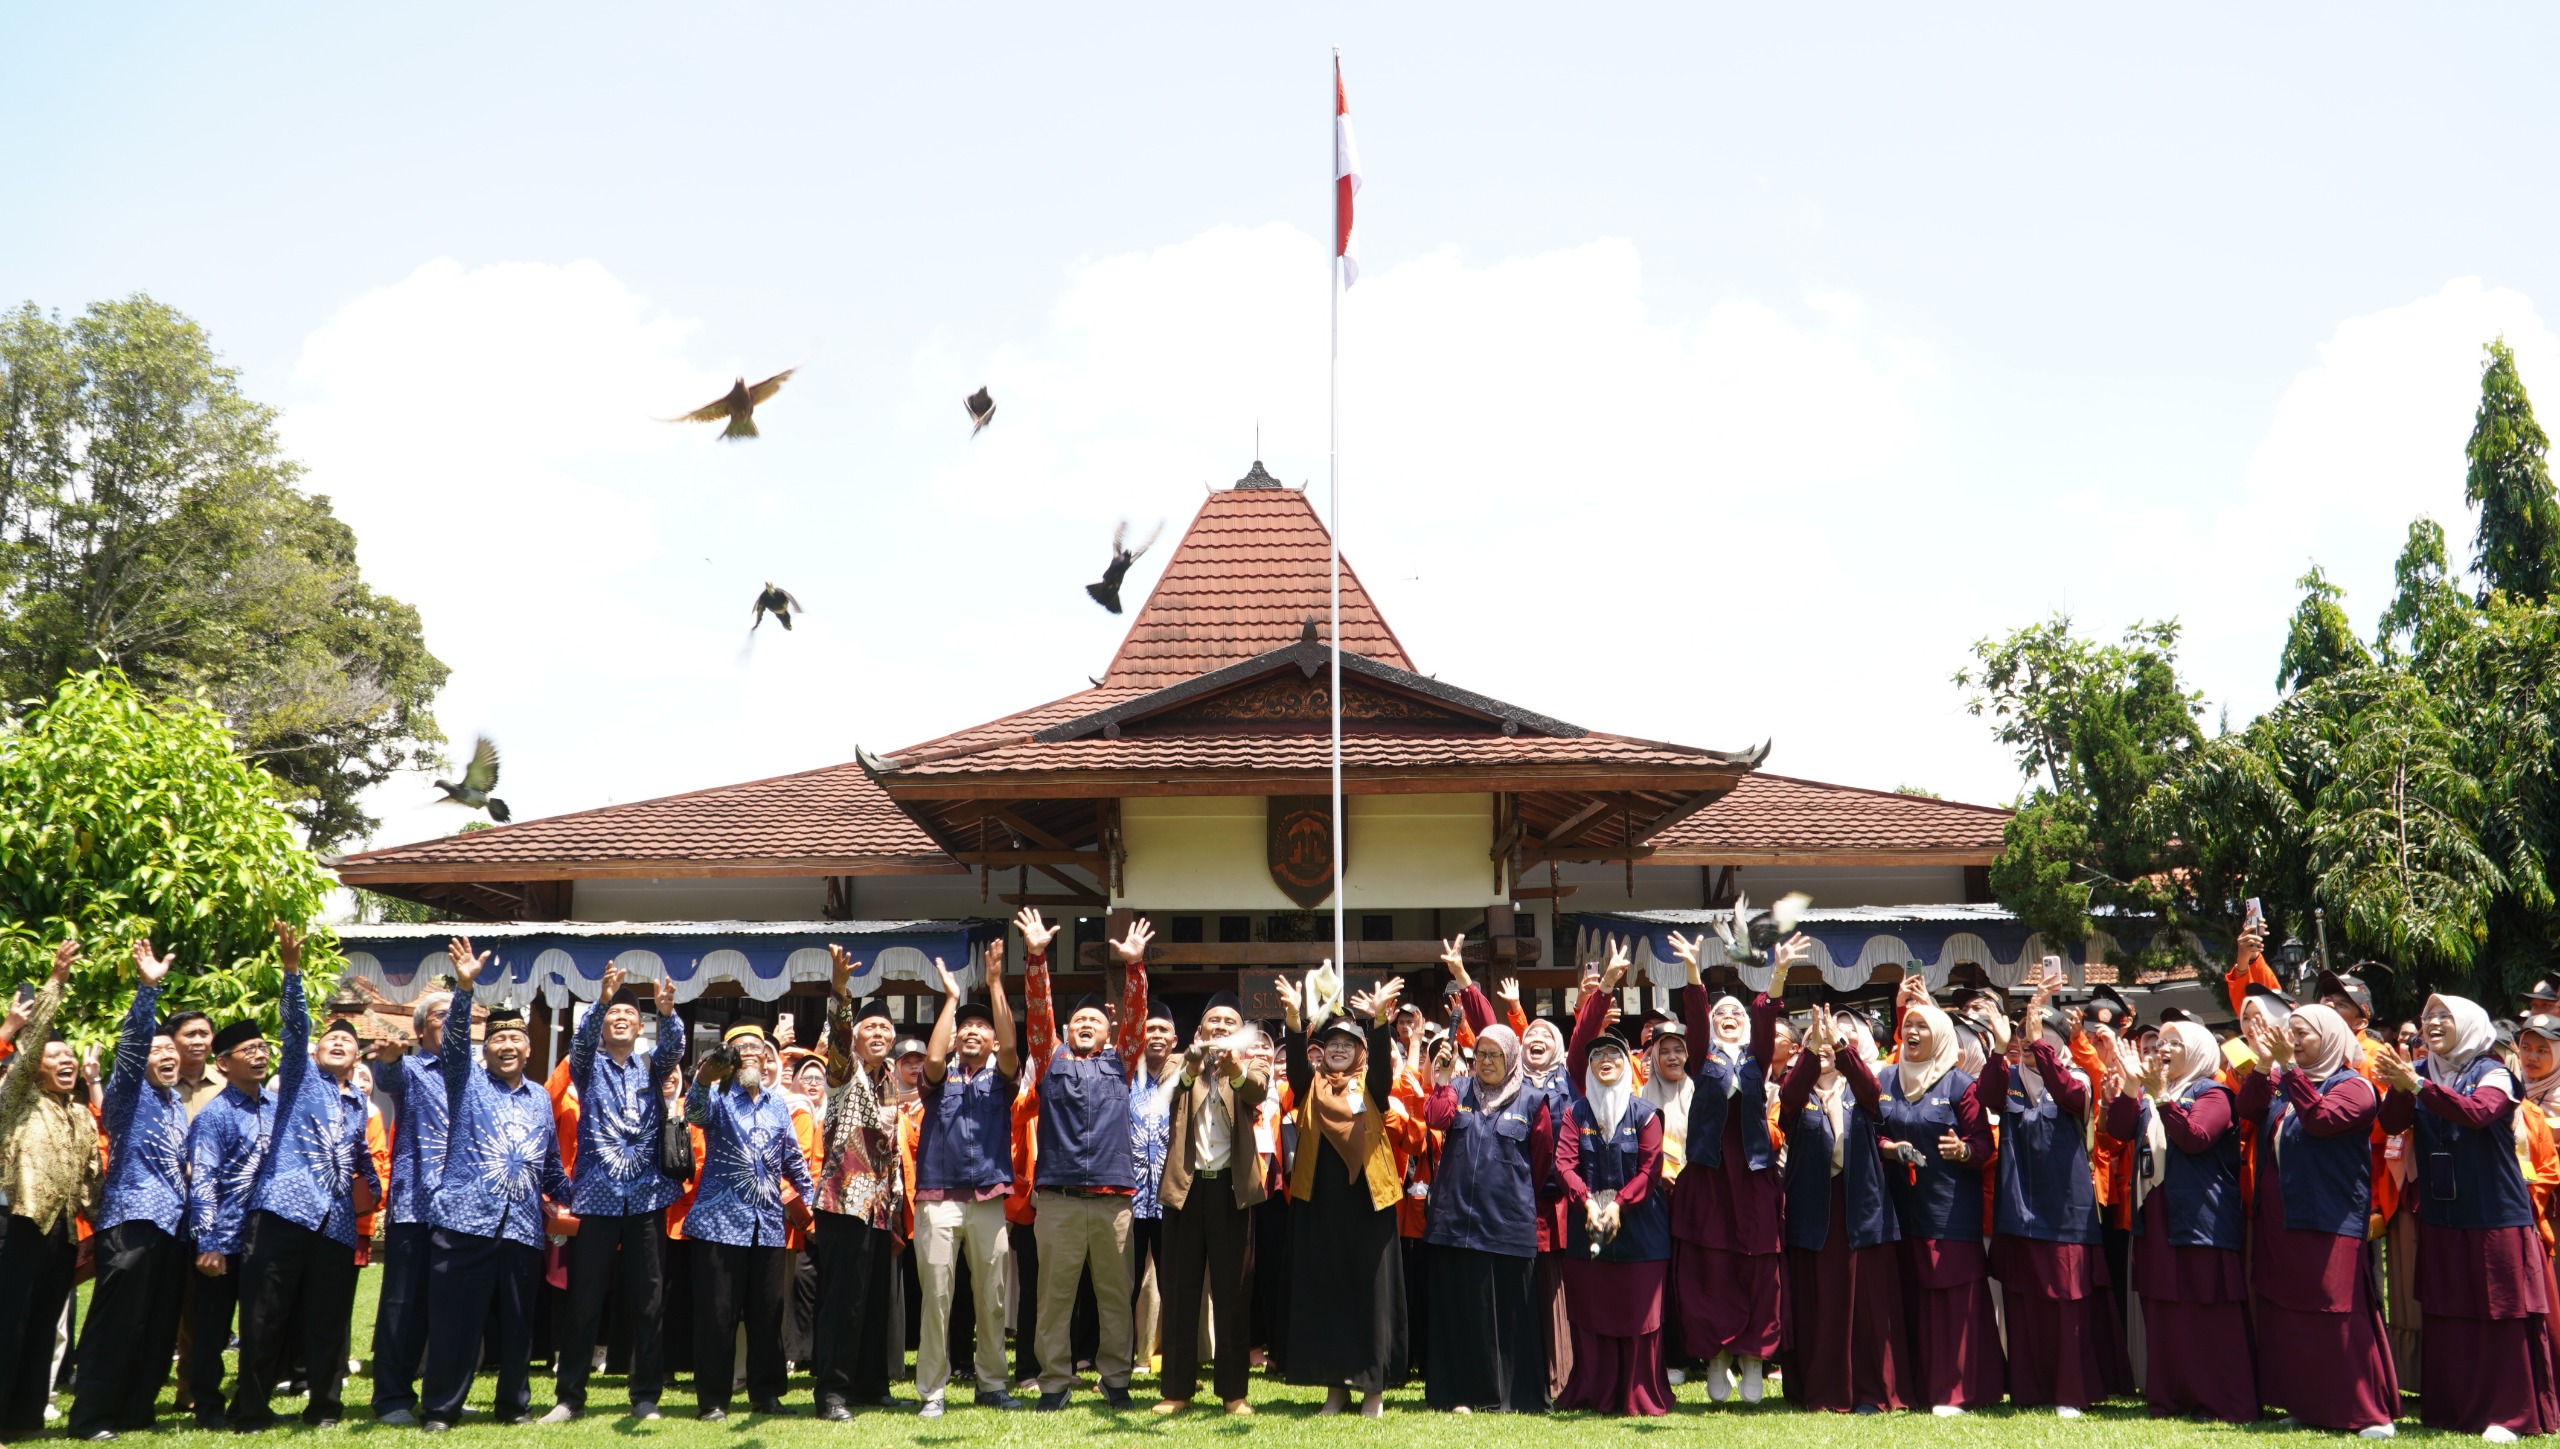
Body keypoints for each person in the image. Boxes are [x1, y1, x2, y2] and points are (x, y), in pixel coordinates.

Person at [2375, 994, 2560, 1441]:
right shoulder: (2419, 1071)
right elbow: (2392, 1123)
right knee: (2448, 1308)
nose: (2433, 1022)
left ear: (2470, 1023)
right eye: (2428, 1016)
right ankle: (2452, 1409)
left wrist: (2417, 1086)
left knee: (2501, 1310)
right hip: (2442, 1210)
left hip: (2494, 1211)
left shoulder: (2492, 1071)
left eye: (2445, 1015)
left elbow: (2477, 1113)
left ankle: (2510, 1413)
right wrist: (2401, 1085)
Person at [419, 938, 574, 1431]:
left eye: (515, 1040)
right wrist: (465, 988)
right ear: (485, 1050)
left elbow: (550, 1166)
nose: (507, 1046)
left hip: (521, 1230)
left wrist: (580, 1198)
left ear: (529, 1049)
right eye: (498, 1041)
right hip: (465, 1223)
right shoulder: (465, 1081)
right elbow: (454, 1039)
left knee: (518, 1325)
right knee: (455, 1324)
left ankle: (513, 1406)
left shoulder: (539, 1099)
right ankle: (441, 1409)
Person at [230, 924, 379, 1433]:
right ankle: (251, 1409)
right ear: (316, 1053)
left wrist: (373, 1194)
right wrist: (291, 973)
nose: (338, 1043)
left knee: (327, 1320)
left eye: (347, 1042)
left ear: (357, 1058)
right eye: (330, 1039)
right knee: (264, 1316)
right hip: (281, 1213)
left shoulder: (359, 1103)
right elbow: (295, 1030)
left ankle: (325, 1407)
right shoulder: (298, 1081)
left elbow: (361, 1160)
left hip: (334, 1225)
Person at [2237, 999, 2399, 1436]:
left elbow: (2321, 1121)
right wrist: (2264, 1065)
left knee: (2336, 1310)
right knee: (2290, 1309)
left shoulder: (2355, 1087)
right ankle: (2306, 1402)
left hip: (2329, 1214)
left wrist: (2288, 1070)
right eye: (2289, 1032)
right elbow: (2247, 1110)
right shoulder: (2287, 1082)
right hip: (2282, 1215)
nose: (2292, 1040)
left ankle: (2367, 1411)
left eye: (2302, 1033)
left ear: (2328, 1037)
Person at [1021, 911, 1153, 1411]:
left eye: (1095, 1021)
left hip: (1113, 1199)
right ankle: (1054, 1383)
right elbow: (1038, 1012)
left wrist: (1134, 968)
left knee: (1115, 1295)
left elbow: (1137, 1017)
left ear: (1108, 1033)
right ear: (1066, 1031)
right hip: (1058, 1198)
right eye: (1078, 1021)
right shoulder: (1049, 1060)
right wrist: (1036, 957)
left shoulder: (1121, 1063)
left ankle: (1115, 1380)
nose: (1085, 1025)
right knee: (1054, 1297)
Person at [1418, 935, 1553, 1414]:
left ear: (1511, 1058)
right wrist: (1440, 1079)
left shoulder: (1533, 1100)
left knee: (1510, 1315)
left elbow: (1541, 1160)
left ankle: (1513, 1397)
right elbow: (1435, 1119)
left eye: (1496, 1055)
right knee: (1463, 1314)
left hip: (1508, 1225)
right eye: (1481, 1054)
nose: (1488, 1062)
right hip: (1456, 1224)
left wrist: (1463, 977)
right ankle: (1463, 1394)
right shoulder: (1458, 1089)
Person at [544, 961, 682, 1422]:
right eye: (613, 1015)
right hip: (597, 1196)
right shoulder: (589, 1067)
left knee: (649, 1299)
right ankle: (569, 1398)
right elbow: (580, 1043)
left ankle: (645, 1395)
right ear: (604, 1025)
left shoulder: (651, 1066)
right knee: (584, 1299)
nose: (620, 1018)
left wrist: (668, 1013)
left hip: (646, 1196)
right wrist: (602, 998)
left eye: (629, 1014)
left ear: (640, 1027)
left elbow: (675, 1048)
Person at [1978, 963, 2116, 1417]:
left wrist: (2037, 1040)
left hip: (2066, 1214)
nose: (2029, 1043)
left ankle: (2071, 1391)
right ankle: (2030, 1388)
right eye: (2025, 1036)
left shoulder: (2078, 1078)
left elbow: (2069, 1095)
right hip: (2018, 1210)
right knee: (2024, 1302)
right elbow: (1987, 1097)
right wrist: (2002, 1050)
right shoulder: (2011, 1079)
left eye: (2040, 1037)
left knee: (2066, 1304)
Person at [2101, 1018, 2255, 1422]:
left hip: (2200, 1218)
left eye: (2174, 1043)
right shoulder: (2151, 1095)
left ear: (2199, 1050)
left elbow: (2195, 1137)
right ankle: (2170, 1398)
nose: (2163, 1050)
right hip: (2156, 1214)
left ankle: (2221, 1401)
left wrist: (2162, 1097)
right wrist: (2131, 1086)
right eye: (2160, 1044)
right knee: (2164, 1308)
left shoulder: (2214, 1092)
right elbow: (2118, 1128)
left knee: (2206, 1309)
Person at [69, 942, 193, 1441]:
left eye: (172, 1051)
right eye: (158, 1052)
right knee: (117, 1321)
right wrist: (147, 990)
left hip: (172, 1228)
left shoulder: (174, 1103)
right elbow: (133, 1044)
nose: (167, 1056)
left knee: (157, 1324)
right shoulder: (128, 1095)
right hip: (131, 1222)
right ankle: (92, 1417)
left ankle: (136, 1410)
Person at [1664, 932, 1789, 1405]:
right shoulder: (1704, 1057)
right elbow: (1696, 1019)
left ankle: (1753, 1358)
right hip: (1710, 1176)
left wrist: (1778, 975)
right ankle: (1716, 1357)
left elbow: (1766, 1018)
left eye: (1736, 1012)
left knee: (1757, 1268)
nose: (1729, 1017)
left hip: (1753, 1175)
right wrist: (1693, 971)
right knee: (1711, 1267)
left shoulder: (1758, 1060)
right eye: (1723, 1013)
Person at [1279, 970, 1409, 1417]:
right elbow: (1296, 1066)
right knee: (1329, 1296)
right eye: (1332, 1042)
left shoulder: (1372, 1086)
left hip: (1368, 1208)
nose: (1339, 1049)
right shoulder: (1309, 1088)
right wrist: (1293, 1019)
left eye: (1348, 1044)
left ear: (1360, 1052)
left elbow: (1385, 1067)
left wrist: (1380, 1020)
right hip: (1321, 1209)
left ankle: (1373, 1391)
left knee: (1370, 1297)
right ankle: (1336, 1390)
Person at [909, 941, 1024, 1419]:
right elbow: (934, 1058)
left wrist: (995, 983)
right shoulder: (939, 1077)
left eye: (982, 1027)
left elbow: (1012, 1048)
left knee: (992, 1298)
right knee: (937, 1297)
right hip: (938, 1196)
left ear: (992, 1040)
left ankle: (991, 1384)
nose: (973, 1031)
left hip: (988, 1198)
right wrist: (952, 999)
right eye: (966, 1028)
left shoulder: (1002, 1078)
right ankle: (932, 1390)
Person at [1875, 979, 2000, 1415]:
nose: (1913, 1032)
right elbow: (1869, 1132)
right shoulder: (1885, 1078)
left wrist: (1963, 1151)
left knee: (1950, 1301)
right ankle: (1909, 1389)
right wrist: (1887, 1148)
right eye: (1908, 1025)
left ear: (1942, 1036)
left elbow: (1983, 1144)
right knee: (1905, 1296)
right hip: (1897, 1210)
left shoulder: (1960, 1085)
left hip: (1948, 1212)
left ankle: (1954, 1391)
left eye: (1922, 1026)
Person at [1776, 1003, 1908, 1414]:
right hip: (1815, 1213)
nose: (1825, 1050)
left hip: (1861, 1210)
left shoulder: (1859, 1092)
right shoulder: (1797, 1093)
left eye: (1831, 1046)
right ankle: (1824, 1390)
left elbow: (1871, 1090)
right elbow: (1789, 1096)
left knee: (1866, 1306)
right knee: (1822, 1304)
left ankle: (1871, 1391)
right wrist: (1813, 1046)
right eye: (1814, 1045)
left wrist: (1837, 1042)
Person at [682, 1019, 817, 1420]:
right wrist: (703, 1077)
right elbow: (694, 1112)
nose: (751, 1054)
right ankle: (712, 1401)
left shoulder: (777, 1103)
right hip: (719, 1223)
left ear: (768, 1057)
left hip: (768, 1225)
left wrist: (810, 1203)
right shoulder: (717, 1096)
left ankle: (767, 1395)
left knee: (767, 1315)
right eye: (741, 1048)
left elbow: (793, 1158)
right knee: (717, 1317)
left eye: (757, 1047)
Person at [1555, 985, 1674, 1418]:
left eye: (1614, 1055)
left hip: (1642, 1233)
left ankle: (1639, 1396)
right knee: (1592, 1314)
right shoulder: (1575, 1113)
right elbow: (1564, 1163)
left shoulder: (1646, 1113)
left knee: (1641, 1317)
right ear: (1588, 1066)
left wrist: (1620, 1204)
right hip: (1587, 1226)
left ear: (1628, 1064)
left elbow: (1651, 1168)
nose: (1605, 1061)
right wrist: (1586, 1202)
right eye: (1597, 1056)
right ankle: (1595, 1391)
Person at [1151, 994, 1270, 1415]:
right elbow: (1168, 1089)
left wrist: (1233, 1067)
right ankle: (1177, 1390)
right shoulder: (1178, 1061)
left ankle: (1233, 1393)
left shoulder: (1254, 1062)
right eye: (1213, 1020)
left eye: (1229, 1021)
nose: (1220, 1026)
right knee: (1180, 1291)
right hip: (1186, 1189)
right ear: (1200, 1029)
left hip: (1232, 1190)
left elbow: (1256, 1090)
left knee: (1233, 1292)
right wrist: (1194, 1062)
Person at [0, 941, 96, 1441]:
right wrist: (56, 981)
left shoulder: (79, 1113)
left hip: (62, 1234)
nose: (66, 1060)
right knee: (8, 1325)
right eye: (55, 1055)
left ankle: (25, 1418)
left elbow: (91, 1177)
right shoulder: (17, 1099)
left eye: (70, 1055)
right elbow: (32, 1042)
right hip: (18, 1224)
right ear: (33, 1064)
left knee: (42, 1326)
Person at [808, 952, 906, 1420]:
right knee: (842, 1300)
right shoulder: (844, 1073)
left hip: (880, 1207)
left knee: (873, 1302)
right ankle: (832, 1392)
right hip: (844, 1199)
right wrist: (841, 990)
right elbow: (839, 1036)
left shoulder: (892, 1081)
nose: (879, 1034)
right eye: (871, 1028)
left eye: (886, 1028)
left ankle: (870, 1384)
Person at [181, 1019, 274, 1430]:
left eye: (263, 1047)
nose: (260, 1055)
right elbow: (202, 1180)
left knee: (262, 1327)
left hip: (268, 1238)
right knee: (212, 1331)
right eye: (248, 1050)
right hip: (224, 1239)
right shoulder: (214, 1116)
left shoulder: (277, 1107)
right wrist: (208, 1242)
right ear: (223, 1064)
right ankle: (207, 1406)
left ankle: (250, 1404)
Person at [367, 987, 453, 1425]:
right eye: (440, 1015)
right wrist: (388, 1060)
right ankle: (392, 1398)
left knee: (453, 1308)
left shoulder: (481, 1076)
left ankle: (444, 1394)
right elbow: (389, 1079)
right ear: (419, 1031)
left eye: (457, 1013)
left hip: (465, 1211)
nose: (451, 1020)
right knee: (403, 1305)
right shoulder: (413, 1070)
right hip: (417, 1205)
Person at [1131, 998, 1179, 1369]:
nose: (1156, 1035)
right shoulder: (1124, 1079)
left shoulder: (1185, 1080)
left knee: (1175, 1288)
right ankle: (1117, 1366)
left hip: (1171, 1199)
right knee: (1123, 1288)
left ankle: (1177, 1366)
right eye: (1150, 1029)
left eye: (1163, 1029)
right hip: (1129, 1201)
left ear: (1175, 1040)